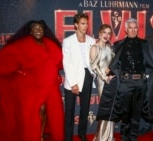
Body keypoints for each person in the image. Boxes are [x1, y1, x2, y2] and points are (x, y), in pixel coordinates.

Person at [0, 20, 64, 141]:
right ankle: (34, 136)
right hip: (32, 87)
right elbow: (0, 64)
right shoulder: (22, 45)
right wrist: (21, 73)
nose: (38, 31)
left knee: (47, 111)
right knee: (36, 112)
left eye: (41, 28)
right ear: (30, 31)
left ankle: (40, 135)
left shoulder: (50, 44)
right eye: (35, 29)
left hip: (50, 87)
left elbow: (58, 63)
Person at [108, 18, 153, 141]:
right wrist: (121, 76)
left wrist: (147, 76)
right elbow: (113, 65)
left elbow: (150, 63)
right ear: (125, 29)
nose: (133, 30)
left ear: (138, 29)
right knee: (125, 113)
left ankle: (133, 138)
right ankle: (124, 137)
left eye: (135, 28)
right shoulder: (119, 44)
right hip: (126, 83)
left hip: (140, 82)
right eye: (130, 28)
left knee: (136, 113)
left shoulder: (144, 43)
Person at [62, 13, 96, 141]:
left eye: (86, 23)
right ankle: (68, 137)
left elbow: (94, 60)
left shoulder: (92, 40)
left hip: (87, 76)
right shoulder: (68, 41)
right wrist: (73, 83)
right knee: (70, 110)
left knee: (85, 109)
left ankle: (82, 134)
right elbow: (67, 63)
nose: (85, 26)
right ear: (76, 25)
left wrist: (93, 73)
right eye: (82, 23)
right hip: (72, 78)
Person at [90, 24, 115, 141]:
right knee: (105, 109)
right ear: (99, 33)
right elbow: (94, 66)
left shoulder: (109, 49)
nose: (106, 35)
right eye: (104, 32)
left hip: (111, 81)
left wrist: (112, 75)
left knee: (110, 109)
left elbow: (112, 65)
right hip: (102, 82)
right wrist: (105, 78)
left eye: (109, 33)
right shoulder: (95, 48)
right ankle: (101, 138)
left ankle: (108, 137)